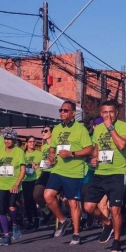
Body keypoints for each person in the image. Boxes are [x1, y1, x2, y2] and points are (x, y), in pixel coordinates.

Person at [85, 100, 126, 252]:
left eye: (111, 112)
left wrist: (110, 126)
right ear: (101, 113)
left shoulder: (124, 126)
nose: (108, 115)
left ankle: (117, 241)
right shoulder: (97, 130)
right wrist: (93, 158)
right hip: (99, 173)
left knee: (115, 208)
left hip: (116, 173)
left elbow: (121, 145)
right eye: (105, 112)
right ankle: (107, 223)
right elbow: (96, 149)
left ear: (116, 112)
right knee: (88, 207)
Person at [45, 101, 93, 244]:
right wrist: (51, 156)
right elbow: (52, 148)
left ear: (73, 113)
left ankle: (76, 233)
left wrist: (72, 153)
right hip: (58, 169)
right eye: (61, 110)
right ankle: (63, 220)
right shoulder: (57, 129)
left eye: (65, 110)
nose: (62, 113)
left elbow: (89, 149)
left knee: (73, 203)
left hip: (74, 172)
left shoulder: (80, 129)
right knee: (48, 196)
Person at [0, 128, 26, 246]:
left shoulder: (19, 152)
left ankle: (15, 224)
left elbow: (23, 170)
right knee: (1, 210)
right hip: (1, 185)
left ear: (14, 140)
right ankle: (6, 235)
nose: (7, 141)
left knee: (11, 207)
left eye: (9, 139)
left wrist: (16, 184)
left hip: (13, 185)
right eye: (5, 139)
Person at [32, 126, 54, 229]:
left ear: (52, 133)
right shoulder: (44, 146)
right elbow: (42, 160)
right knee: (36, 194)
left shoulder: (56, 145)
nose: (43, 133)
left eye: (45, 131)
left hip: (54, 172)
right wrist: (37, 164)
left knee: (51, 196)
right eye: (42, 131)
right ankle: (47, 211)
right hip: (45, 172)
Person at [23, 135, 42, 230]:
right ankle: (30, 221)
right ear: (26, 143)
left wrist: (37, 166)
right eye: (30, 142)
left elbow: (43, 166)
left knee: (33, 199)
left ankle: (36, 219)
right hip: (25, 179)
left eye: (34, 141)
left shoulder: (39, 154)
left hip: (35, 178)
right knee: (27, 201)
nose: (32, 143)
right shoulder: (23, 154)